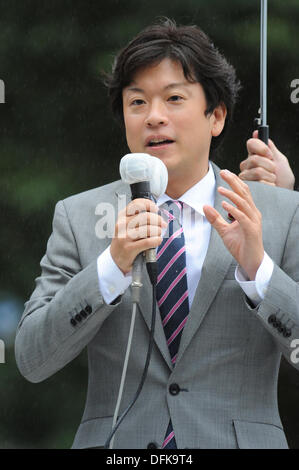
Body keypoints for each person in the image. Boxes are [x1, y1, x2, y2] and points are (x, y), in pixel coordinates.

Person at [15, 19, 299, 449]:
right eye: (137, 103)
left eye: (174, 98)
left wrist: (259, 271)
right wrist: (110, 267)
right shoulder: (79, 216)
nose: (154, 117)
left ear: (216, 115)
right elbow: (32, 358)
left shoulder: (279, 212)